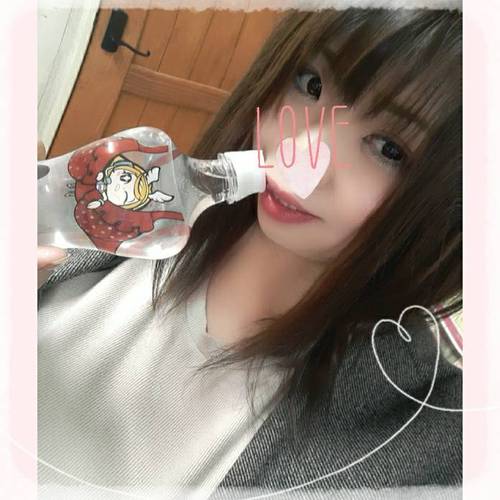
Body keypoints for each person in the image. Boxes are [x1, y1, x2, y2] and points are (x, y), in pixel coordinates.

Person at [37, 7, 463, 500]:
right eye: (310, 85)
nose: (299, 158)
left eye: (388, 148)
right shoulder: (138, 215)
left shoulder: (426, 438)